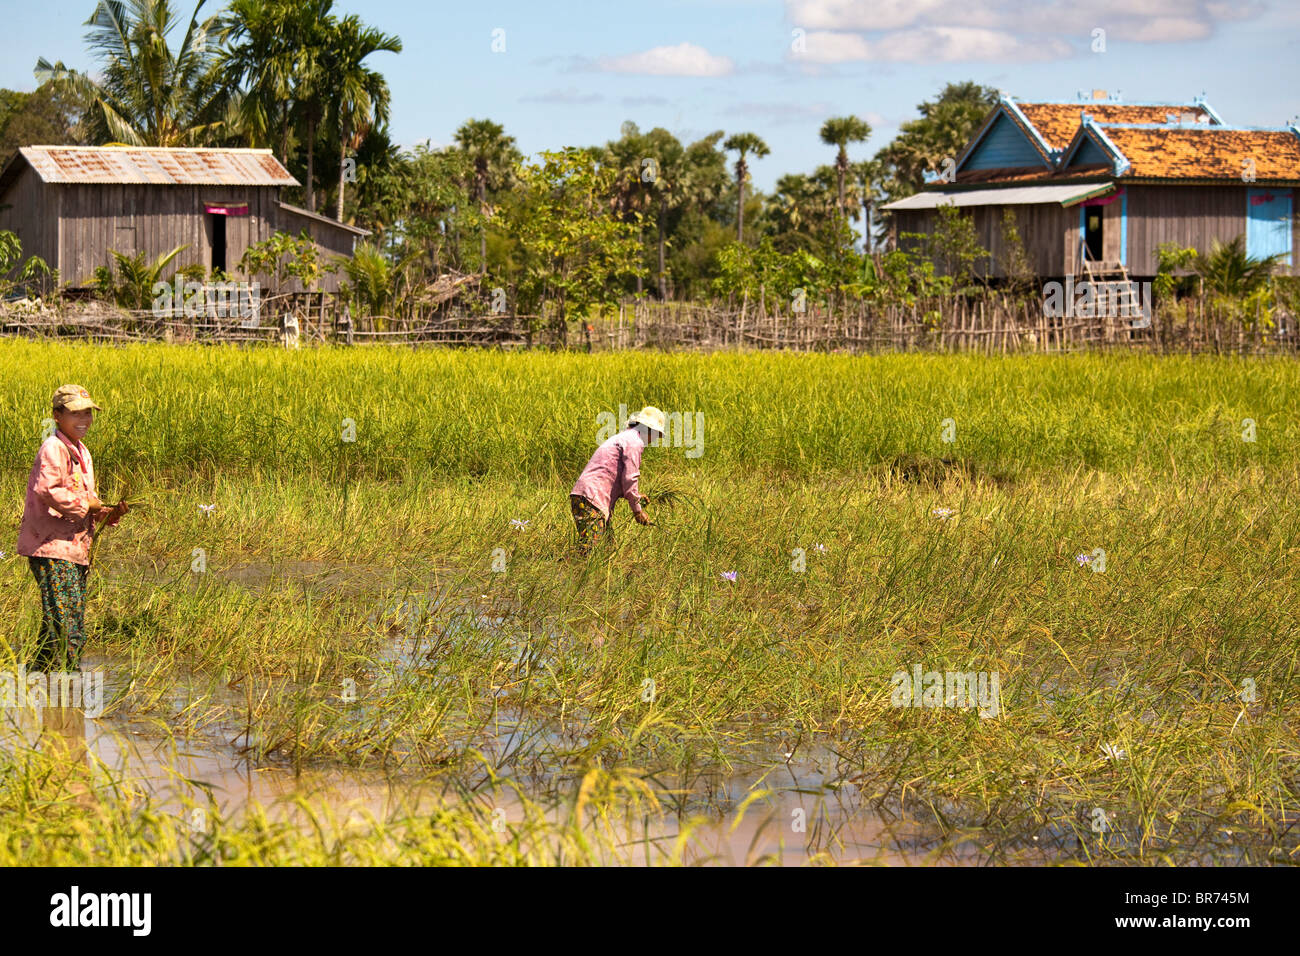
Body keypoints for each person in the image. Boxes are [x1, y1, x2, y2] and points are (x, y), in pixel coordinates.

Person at [16, 385, 129, 672]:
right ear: (57, 415)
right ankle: (71, 689)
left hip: (75, 548)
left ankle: (36, 684)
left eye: (88, 412)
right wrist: (88, 505)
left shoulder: (81, 452)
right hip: (51, 547)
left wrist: (109, 512)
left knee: (56, 622)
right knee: (68, 624)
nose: (85, 419)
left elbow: (86, 500)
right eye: (76, 413)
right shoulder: (53, 448)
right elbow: (48, 489)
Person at [569, 406, 665, 553]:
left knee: (607, 550)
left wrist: (636, 497)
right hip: (591, 498)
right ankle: (560, 571)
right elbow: (630, 478)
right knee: (590, 551)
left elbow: (616, 477)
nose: (655, 439)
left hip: (588, 496)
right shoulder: (635, 442)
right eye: (656, 434)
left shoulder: (624, 438)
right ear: (649, 430)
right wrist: (637, 511)